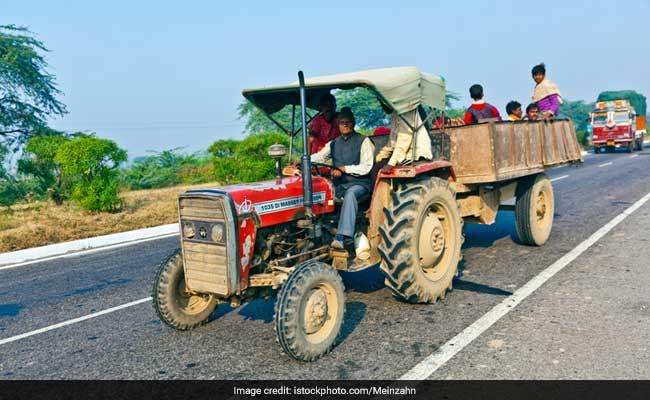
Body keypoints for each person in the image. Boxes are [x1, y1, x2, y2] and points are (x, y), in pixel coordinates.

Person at [310, 107, 374, 249]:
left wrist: (345, 169)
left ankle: (341, 238)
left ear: (353, 123)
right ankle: (316, 235)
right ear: (338, 124)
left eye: (348, 122)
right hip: (340, 185)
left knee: (351, 194)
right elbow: (319, 157)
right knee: (318, 192)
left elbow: (366, 166)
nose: (345, 125)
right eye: (342, 122)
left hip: (360, 184)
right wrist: (302, 161)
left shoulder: (364, 141)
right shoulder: (333, 143)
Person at [375, 101, 433, 173]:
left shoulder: (407, 110)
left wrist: (391, 163)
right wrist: (378, 158)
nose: (383, 106)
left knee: (378, 171)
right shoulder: (395, 114)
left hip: (415, 153)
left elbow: (404, 139)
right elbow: (392, 142)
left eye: (384, 102)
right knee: (377, 166)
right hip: (404, 152)